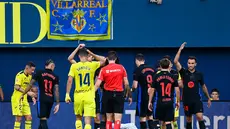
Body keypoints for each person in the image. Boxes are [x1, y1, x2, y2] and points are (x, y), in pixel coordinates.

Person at [174, 42, 211, 129]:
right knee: (189, 120)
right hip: (187, 100)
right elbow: (175, 61)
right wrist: (180, 50)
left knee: (199, 117)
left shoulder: (199, 74)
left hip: (196, 100)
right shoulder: (183, 72)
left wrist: (208, 97)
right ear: (187, 64)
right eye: (189, 63)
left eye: (192, 63)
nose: (190, 65)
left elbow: (203, 86)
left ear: (195, 64)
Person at [65, 48, 106, 129]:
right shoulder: (92, 65)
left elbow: (70, 80)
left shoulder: (74, 66)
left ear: (79, 56)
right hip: (89, 95)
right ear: (87, 56)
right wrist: (91, 53)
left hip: (78, 94)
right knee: (88, 120)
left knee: (78, 118)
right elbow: (104, 60)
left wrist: (67, 94)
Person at [95, 51, 132, 129]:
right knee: (117, 119)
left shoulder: (104, 69)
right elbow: (126, 84)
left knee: (109, 118)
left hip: (107, 94)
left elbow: (97, 84)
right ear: (115, 58)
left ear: (107, 59)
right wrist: (130, 96)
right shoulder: (121, 67)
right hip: (119, 94)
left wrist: (91, 94)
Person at [20, 59, 60, 129]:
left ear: (45, 66)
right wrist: (57, 103)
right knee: (43, 119)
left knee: (43, 120)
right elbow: (56, 90)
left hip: (42, 99)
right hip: (50, 99)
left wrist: (23, 94)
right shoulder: (55, 76)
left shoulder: (39, 72)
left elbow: (30, 84)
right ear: (52, 66)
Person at [148, 58, 180, 129]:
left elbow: (152, 90)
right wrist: (178, 101)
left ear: (160, 66)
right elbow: (177, 90)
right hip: (170, 102)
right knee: (168, 122)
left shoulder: (156, 76)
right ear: (169, 65)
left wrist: (150, 101)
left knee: (156, 120)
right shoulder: (173, 76)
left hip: (159, 102)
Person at [131, 53, 157, 129]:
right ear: (144, 60)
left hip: (142, 97)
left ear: (136, 61)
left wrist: (131, 90)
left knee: (142, 117)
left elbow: (135, 86)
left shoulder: (137, 70)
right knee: (150, 116)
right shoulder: (152, 69)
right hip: (152, 96)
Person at [11, 61, 36, 129]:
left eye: (34, 70)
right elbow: (16, 87)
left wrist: (32, 96)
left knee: (29, 117)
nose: (33, 71)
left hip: (24, 99)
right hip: (17, 99)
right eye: (32, 70)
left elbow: (28, 87)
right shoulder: (20, 75)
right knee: (19, 118)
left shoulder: (30, 76)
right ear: (27, 68)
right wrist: (28, 93)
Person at [162, 55, 183, 129]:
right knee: (163, 120)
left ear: (171, 64)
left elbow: (180, 85)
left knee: (174, 119)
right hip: (162, 99)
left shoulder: (175, 73)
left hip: (173, 99)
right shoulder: (159, 73)